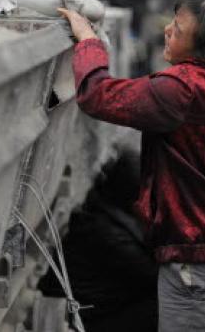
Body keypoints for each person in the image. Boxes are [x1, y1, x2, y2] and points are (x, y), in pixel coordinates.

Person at [60, 0, 205, 331]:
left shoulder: (183, 89)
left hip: (200, 274)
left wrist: (87, 40)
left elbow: (98, 96)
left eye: (178, 27)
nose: (167, 31)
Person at [38, 142, 158, 332]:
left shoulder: (104, 212)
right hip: (81, 322)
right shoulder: (107, 233)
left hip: (98, 311)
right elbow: (160, 276)